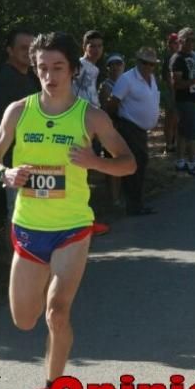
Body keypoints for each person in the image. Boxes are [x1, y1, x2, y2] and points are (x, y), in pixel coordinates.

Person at [0, 32, 135, 389]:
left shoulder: (90, 116)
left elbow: (128, 163)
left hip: (72, 228)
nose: (49, 76)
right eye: (42, 69)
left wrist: (94, 161)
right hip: (29, 228)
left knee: (58, 312)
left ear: (72, 69)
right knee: (24, 320)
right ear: (35, 70)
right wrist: (5, 173)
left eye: (58, 68)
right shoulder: (19, 111)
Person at [0, 29, 40, 246]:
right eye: (22, 48)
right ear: (9, 50)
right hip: (15, 162)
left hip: (38, 162)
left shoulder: (31, 76)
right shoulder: (6, 81)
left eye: (31, 48)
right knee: (19, 221)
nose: (28, 52)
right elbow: (6, 128)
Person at [107, 47, 161, 216]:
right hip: (129, 127)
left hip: (140, 130)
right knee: (136, 165)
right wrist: (115, 121)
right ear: (138, 62)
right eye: (144, 63)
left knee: (140, 164)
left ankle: (135, 203)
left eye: (151, 64)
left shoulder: (151, 78)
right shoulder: (127, 79)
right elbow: (112, 102)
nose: (148, 66)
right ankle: (133, 205)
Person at [72, 30, 110, 236]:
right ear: (84, 46)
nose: (96, 50)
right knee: (80, 174)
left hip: (90, 122)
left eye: (99, 46)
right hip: (80, 123)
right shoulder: (79, 65)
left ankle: (85, 220)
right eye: (92, 45)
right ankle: (81, 222)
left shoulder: (94, 68)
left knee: (85, 174)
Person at [169, 27, 195, 176]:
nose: (192, 43)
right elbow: (176, 84)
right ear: (180, 41)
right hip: (184, 99)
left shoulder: (194, 55)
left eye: (193, 40)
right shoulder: (177, 59)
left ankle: (181, 162)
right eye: (188, 40)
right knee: (192, 132)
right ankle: (193, 164)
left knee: (184, 132)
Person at [99, 54, 126, 208]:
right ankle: (114, 199)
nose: (115, 67)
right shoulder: (106, 86)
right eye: (112, 64)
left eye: (118, 64)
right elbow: (106, 109)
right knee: (113, 164)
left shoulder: (127, 83)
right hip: (112, 129)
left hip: (126, 128)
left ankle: (122, 195)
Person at [159, 33, 180, 155]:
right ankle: (169, 144)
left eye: (178, 43)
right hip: (171, 92)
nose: (177, 45)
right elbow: (168, 77)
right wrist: (174, 92)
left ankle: (175, 142)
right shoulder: (169, 58)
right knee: (170, 118)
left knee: (177, 119)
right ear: (170, 44)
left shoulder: (179, 56)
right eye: (174, 43)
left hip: (180, 91)